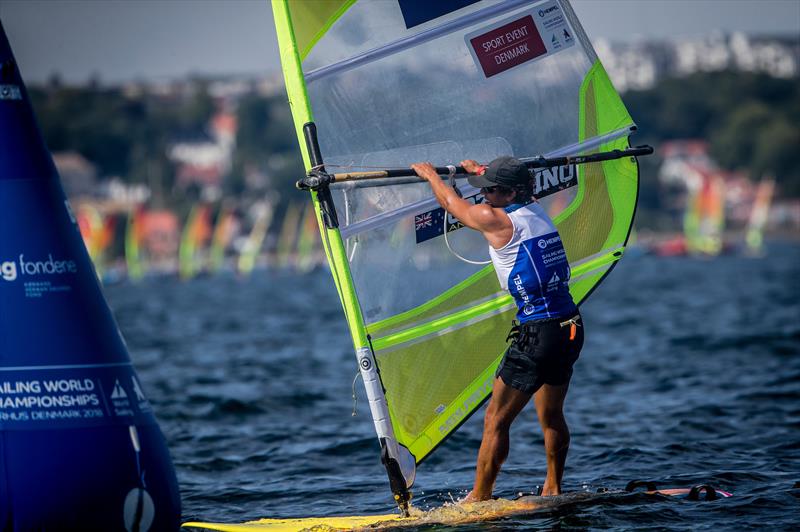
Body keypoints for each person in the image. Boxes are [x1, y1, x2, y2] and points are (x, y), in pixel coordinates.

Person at [411, 156, 584, 500]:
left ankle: (480, 498)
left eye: (491, 190)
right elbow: (506, 185)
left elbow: (450, 203)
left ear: (510, 192)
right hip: (570, 327)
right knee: (551, 415)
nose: (485, 196)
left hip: (538, 334)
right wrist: (481, 173)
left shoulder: (496, 219)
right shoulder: (536, 208)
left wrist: (429, 174)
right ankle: (553, 487)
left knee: (495, 420)